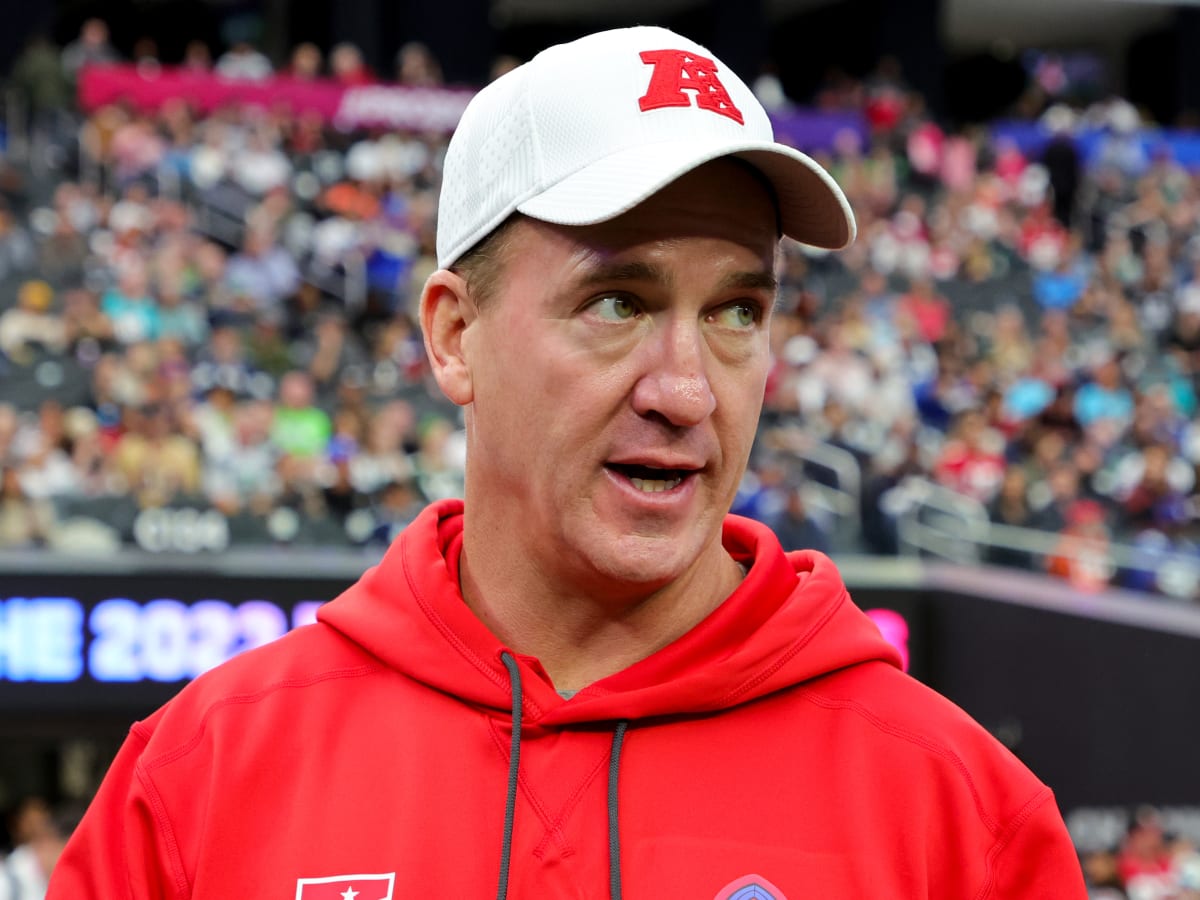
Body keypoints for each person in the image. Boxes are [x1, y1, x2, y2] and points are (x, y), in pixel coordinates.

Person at [49, 26, 1087, 898]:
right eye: (618, 302)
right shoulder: (200, 779)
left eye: (736, 311)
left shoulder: (960, 815)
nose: (684, 391)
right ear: (457, 337)